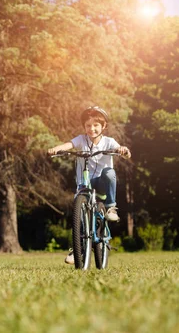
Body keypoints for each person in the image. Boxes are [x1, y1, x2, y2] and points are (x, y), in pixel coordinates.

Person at [47, 106, 131, 264]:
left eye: (96, 125)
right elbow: (68, 145)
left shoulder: (109, 142)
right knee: (78, 212)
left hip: (101, 182)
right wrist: (56, 149)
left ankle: (111, 207)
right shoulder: (81, 139)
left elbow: (124, 152)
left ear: (103, 126)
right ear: (84, 127)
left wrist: (123, 150)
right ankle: (76, 248)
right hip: (84, 183)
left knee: (109, 172)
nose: (91, 129)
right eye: (88, 126)